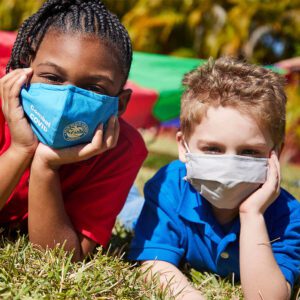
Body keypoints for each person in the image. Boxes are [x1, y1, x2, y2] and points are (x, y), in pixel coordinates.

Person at [129, 57, 300, 299]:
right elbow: (153, 264)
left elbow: (269, 297)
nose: (229, 164)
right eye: (212, 149)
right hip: (142, 209)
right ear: (183, 146)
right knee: (130, 213)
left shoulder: (288, 216)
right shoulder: (169, 185)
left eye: (249, 152)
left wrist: (252, 214)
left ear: (276, 154)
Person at [0, 0, 147, 261]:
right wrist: (20, 149)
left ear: (120, 103)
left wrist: (46, 165)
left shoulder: (123, 147)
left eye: (93, 88)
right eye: (53, 78)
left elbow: (62, 259)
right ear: (24, 68)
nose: (66, 99)